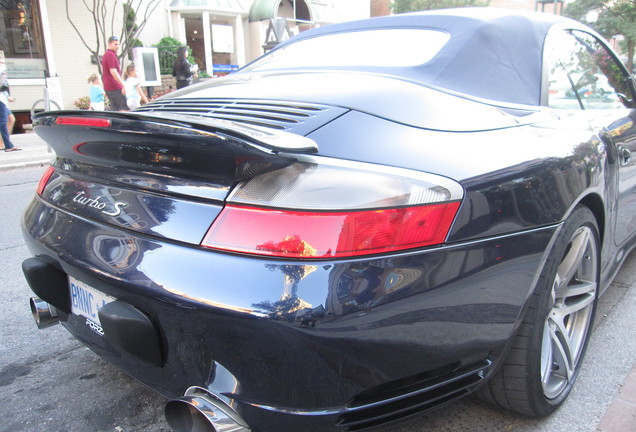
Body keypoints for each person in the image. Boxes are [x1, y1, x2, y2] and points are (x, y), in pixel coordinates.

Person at [101, 36, 127, 111]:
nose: (117, 47)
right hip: (114, 86)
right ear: (109, 44)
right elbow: (113, 72)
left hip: (109, 87)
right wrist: (123, 84)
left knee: (116, 109)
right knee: (123, 109)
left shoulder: (108, 55)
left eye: (118, 44)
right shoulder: (110, 55)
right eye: (115, 44)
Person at [0, 54, 19, 152]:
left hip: (3, 98)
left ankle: (2, 142)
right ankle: (7, 145)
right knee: (3, 121)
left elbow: (5, 86)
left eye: (3, 62)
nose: (3, 64)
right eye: (1, 62)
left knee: (11, 119)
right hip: (1, 99)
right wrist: (8, 97)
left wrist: (8, 96)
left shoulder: (3, 75)